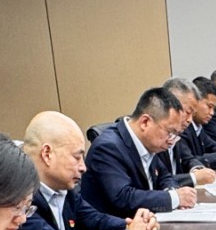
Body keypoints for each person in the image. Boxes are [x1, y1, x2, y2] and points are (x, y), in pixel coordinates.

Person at [15, 111, 157, 230]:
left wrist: (135, 225)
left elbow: (96, 220)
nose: (83, 167)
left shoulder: (63, 189)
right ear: (47, 154)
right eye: (77, 157)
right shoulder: (19, 199)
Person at [77, 87, 198, 218]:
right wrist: (173, 198)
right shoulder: (107, 147)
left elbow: (164, 176)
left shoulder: (148, 143)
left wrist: (171, 190)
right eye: (170, 132)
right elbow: (123, 197)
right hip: (117, 226)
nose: (171, 140)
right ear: (145, 122)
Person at [162, 77, 216, 185]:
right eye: (187, 112)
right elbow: (159, 181)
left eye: (192, 114)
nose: (190, 120)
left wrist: (197, 168)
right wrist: (193, 178)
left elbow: (188, 158)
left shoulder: (175, 133)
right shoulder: (155, 138)